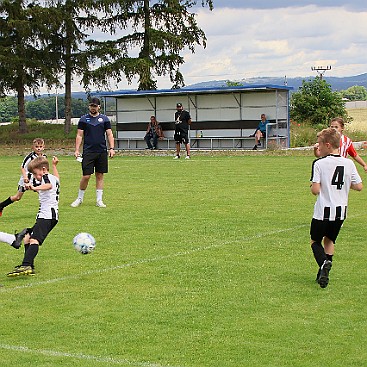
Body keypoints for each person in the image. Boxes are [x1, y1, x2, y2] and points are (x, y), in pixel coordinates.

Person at [310, 128, 362, 288]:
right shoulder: (348, 163)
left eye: (319, 144)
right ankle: (322, 274)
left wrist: (315, 184)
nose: (317, 147)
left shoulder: (319, 164)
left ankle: (324, 263)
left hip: (323, 211)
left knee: (314, 241)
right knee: (330, 240)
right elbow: (359, 186)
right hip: (341, 212)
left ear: (327, 145)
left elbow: (315, 190)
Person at [6, 156, 60, 276]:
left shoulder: (46, 178)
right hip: (47, 215)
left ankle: (26, 265)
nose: (35, 176)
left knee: (34, 240)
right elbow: (55, 179)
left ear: (44, 169)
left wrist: (35, 187)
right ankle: (29, 264)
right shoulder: (53, 177)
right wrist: (55, 166)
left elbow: (48, 186)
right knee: (26, 236)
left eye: (36, 173)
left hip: (47, 216)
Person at [71, 97, 115, 208]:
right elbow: (79, 135)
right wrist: (77, 150)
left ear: (99, 107)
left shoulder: (104, 119)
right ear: (89, 106)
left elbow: (109, 134)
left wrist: (111, 148)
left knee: (100, 175)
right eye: (91, 106)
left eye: (95, 106)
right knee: (86, 176)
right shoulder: (83, 119)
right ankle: (79, 198)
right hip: (88, 151)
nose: (93, 108)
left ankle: (99, 200)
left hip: (101, 151)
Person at [0, 138, 46, 217]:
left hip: (36, 179)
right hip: (26, 180)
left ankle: (44, 212)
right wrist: (25, 178)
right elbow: (22, 167)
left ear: (43, 147)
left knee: (43, 193)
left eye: (40, 146)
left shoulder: (44, 157)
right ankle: (1, 205)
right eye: (36, 146)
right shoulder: (30, 157)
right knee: (17, 197)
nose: (38, 148)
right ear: (33, 147)